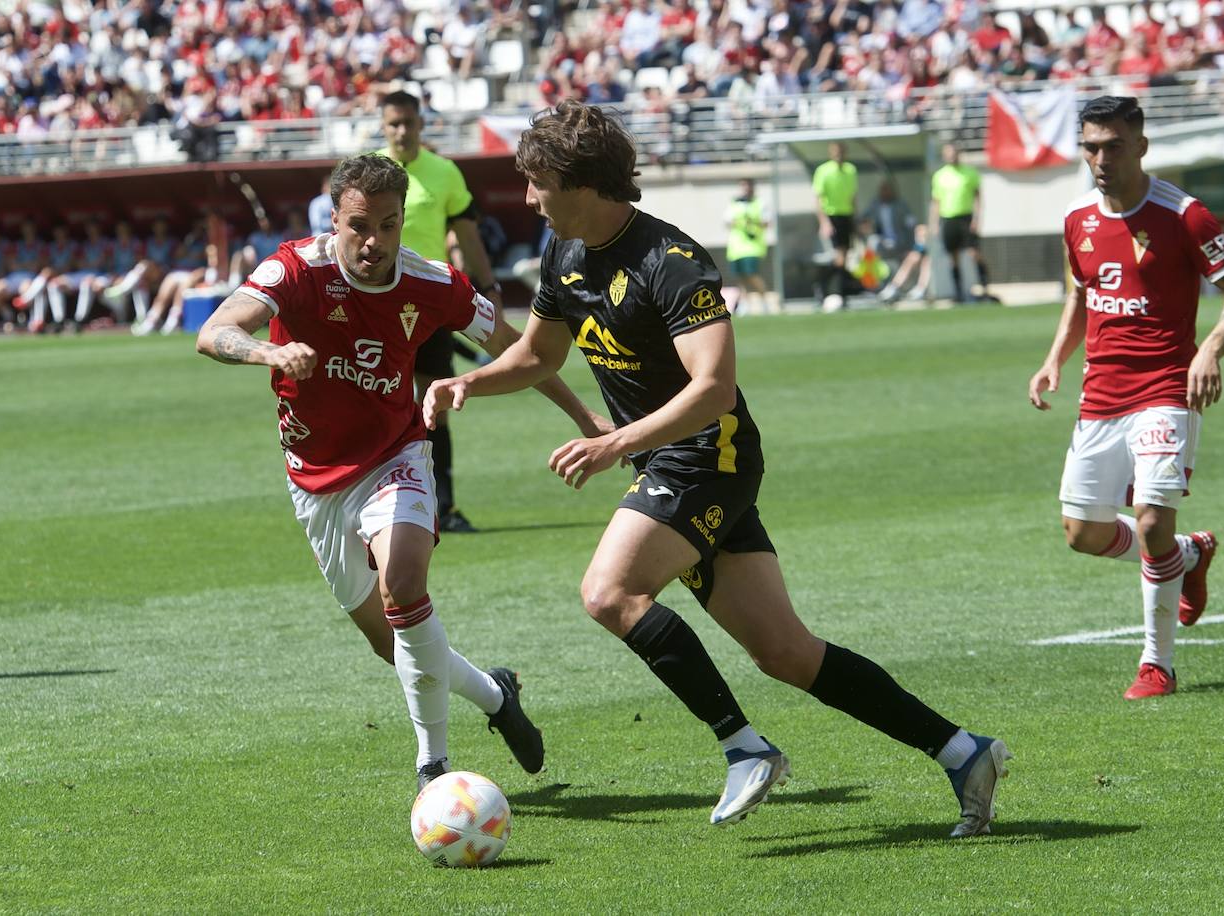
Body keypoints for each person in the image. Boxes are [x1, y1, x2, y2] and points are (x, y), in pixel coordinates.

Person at [423, 101, 1012, 835]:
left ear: (581, 182)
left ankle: (743, 747)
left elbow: (714, 389)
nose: (528, 197)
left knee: (609, 592)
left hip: (708, 456)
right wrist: (468, 382)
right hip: (670, 459)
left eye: (537, 181)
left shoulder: (670, 262)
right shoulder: (562, 253)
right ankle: (965, 753)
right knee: (786, 653)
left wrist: (613, 443)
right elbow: (540, 356)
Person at [196, 153, 608, 790]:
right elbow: (215, 331)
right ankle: (497, 697)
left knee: (405, 586)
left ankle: (432, 765)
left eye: (388, 226)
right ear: (334, 219)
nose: (374, 242)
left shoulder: (432, 283)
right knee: (394, 643)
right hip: (314, 479)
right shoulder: (296, 268)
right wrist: (270, 350)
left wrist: (584, 416)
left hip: (395, 456)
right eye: (360, 225)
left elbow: (520, 349)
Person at [1028, 96, 1224, 699]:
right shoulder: (1077, 218)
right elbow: (1081, 295)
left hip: (1166, 387)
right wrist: (1056, 358)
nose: (1099, 159)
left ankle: (1156, 664)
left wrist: (1208, 350)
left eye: (1111, 146)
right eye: (1090, 147)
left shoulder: (1184, 215)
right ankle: (1186, 555)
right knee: (1082, 533)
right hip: (1100, 394)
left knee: (1153, 518)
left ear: (1141, 146)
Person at [377, 89, 503, 533]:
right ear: (382, 125)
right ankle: (380, 506)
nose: (401, 131)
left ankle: (442, 507)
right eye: (393, 123)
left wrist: (488, 288)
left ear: (420, 123)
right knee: (377, 402)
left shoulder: (444, 173)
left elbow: (468, 238)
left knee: (434, 404)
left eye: (408, 122)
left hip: (426, 304)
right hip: (374, 306)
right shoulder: (370, 172)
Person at [929, 143, 993, 303]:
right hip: (948, 218)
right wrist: (935, 223)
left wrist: (977, 218)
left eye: (954, 153)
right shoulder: (939, 176)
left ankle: (985, 288)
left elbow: (978, 197)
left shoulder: (970, 173)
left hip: (966, 218)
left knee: (974, 253)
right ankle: (958, 293)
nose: (951, 156)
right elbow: (936, 201)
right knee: (953, 257)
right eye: (948, 153)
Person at [812, 141, 859, 312]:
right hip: (831, 217)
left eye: (841, 151)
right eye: (835, 151)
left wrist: (855, 219)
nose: (838, 154)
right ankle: (823, 289)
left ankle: (839, 294)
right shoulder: (823, 171)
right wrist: (824, 222)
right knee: (837, 257)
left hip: (845, 216)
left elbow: (853, 197)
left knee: (844, 258)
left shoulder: (851, 170)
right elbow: (818, 199)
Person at [722, 178, 774, 316]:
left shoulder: (759, 203)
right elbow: (727, 221)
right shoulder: (734, 203)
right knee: (741, 277)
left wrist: (752, 222)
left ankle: (765, 302)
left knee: (752, 274)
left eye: (748, 185)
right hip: (736, 247)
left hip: (753, 246)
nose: (746, 189)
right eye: (743, 186)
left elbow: (767, 222)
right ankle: (745, 304)